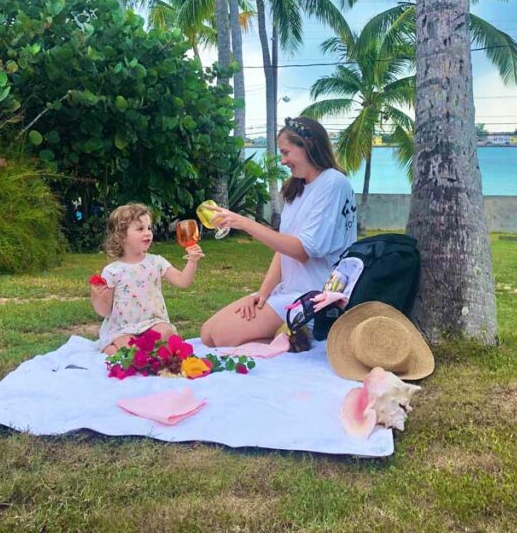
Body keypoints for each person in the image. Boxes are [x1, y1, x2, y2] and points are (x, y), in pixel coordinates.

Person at [200, 117, 357, 347]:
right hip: (288, 292)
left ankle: (295, 337)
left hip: (314, 298)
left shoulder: (333, 183)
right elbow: (282, 250)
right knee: (207, 333)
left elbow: (301, 250)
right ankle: (288, 339)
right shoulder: (297, 187)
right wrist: (263, 294)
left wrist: (244, 223)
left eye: (286, 153)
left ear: (308, 146)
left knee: (222, 336)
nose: (283, 161)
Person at [90, 203, 204, 355]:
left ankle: (134, 350)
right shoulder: (112, 271)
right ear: (121, 236)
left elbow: (183, 281)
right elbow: (104, 311)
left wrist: (192, 261)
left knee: (167, 332)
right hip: (123, 328)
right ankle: (117, 349)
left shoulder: (156, 262)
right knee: (128, 346)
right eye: (140, 229)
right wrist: (96, 297)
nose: (148, 233)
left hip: (153, 323)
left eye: (149, 228)